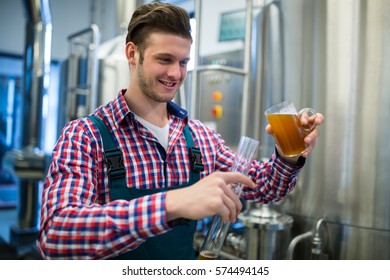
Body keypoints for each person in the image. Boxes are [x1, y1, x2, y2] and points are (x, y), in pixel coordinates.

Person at [37, 2, 324, 260]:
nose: (176, 74)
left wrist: (288, 156)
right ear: (132, 53)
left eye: (183, 62)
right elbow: (56, 236)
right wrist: (171, 204)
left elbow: (263, 186)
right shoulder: (85, 135)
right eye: (164, 60)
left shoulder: (199, 137)